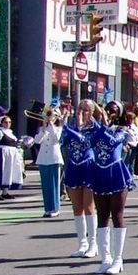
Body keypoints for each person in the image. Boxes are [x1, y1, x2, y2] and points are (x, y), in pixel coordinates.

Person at [86, 106, 135, 274]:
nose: (109, 112)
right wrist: (92, 125)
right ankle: (105, 258)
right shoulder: (94, 130)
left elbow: (113, 142)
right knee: (102, 215)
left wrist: (101, 127)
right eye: (107, 109)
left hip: (116, 173)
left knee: (117, 215)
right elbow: (88, 143)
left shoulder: (122, 129)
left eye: (113, 109)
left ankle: (117, 259)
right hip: (99, 172)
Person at [60, 100, 98, 257]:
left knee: (89, 206)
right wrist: (63, 125)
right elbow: (63, 142)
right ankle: (82, 243)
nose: (82, 112)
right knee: (77, 208)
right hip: (74, 167)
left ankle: (93, 244)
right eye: (80, 109)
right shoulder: (72, 128)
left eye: (86, 110)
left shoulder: (96, 128)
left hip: (88, 167)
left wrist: (80, 127)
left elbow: (86, 143)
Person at [32, 106, 64, 218]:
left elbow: (56, 138)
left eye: (53, 116)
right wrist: (44, 128)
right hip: (43, 159)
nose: (50, 117)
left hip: (54, 158)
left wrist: (51, 125)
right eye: (49, 115)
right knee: (45, 185)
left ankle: (55, 208)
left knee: (54, 185)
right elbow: (37, 140)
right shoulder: (43, 128)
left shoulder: (59, 128)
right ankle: (47, 208)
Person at [0, 114, 25, 200]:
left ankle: (5, 192)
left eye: (9, 122)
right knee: (0, 172)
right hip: (2, 154)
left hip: (11, 155)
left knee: (9, 172)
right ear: (1, 123)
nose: (8, 124)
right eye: (6, 122)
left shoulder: (11, 133)